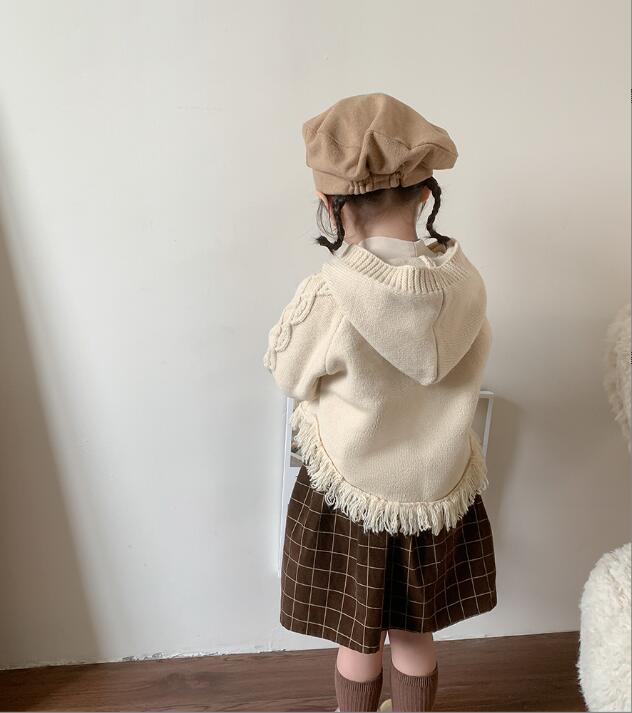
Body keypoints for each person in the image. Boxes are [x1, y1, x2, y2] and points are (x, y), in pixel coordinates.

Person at [263, 92, 497, 712]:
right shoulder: (465, 284)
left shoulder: (332, 295)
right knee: (415, 634)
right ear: (424, 196)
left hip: (356, 495)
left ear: (329, 204)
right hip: (437, 493)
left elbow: (288, 373)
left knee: (358, 638)